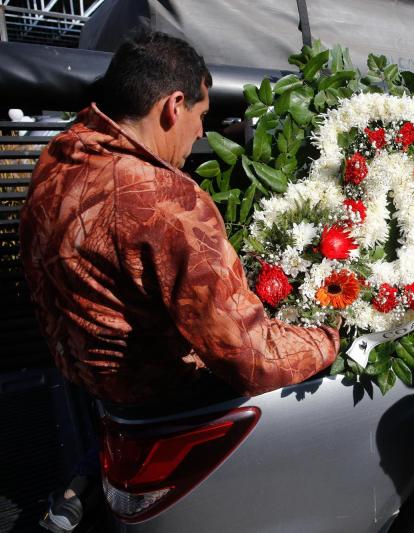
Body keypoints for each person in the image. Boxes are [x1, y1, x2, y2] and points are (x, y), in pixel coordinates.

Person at [20, 31, 339, 532]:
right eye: (201, 116)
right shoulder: (165, 201)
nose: (198, 135)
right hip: (160, 404)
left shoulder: (59, 158)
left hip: (83, 383)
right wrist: (329, 338)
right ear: (173, 105)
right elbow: (251, 359)